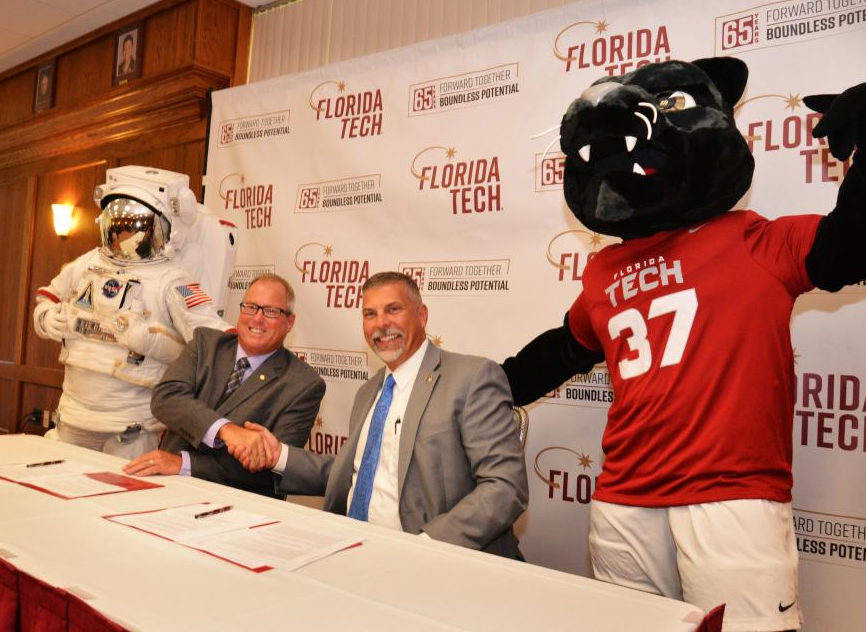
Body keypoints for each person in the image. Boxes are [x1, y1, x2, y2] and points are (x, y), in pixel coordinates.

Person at [232, 272, 528, 557]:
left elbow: (504, 485)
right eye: (370, 314)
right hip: (353, 547)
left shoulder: (471, 377)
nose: (381, 323)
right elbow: (357, 472)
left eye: (393, 309)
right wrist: (278, 456)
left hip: (431, 558)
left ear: (422, 315)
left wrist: (427, 546)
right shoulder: (369, 391)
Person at [33, 166, 235, 459]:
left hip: (130, 428)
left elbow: (210, 336)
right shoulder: (88, 262)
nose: (123, 236)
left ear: (164, 230)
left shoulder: (172, 279)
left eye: (136, 227)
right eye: (116, 225)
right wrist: (47, 318)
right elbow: (47, 295)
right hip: (71, 416)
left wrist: (151, 340)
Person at [123, 274, 325, 498]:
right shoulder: (205, 344)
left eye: (271, 311)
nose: (257, 318)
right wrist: (226, 430)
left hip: (239, 504)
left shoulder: (304, 385)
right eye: (250, 307)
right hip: (168, 488)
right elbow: (166, 398)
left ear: (290, 322)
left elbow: (272, 468)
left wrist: (183, 463)